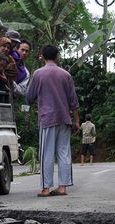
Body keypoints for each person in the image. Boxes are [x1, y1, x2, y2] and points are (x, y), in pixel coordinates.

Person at [26, 45, 80, 197]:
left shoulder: (38, 74)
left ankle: (46, 188)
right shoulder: (65, 75)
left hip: (47, 118)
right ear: (57, 56)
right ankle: (62, 187)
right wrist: (76, 121)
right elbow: (73, 101)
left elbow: (29, 97)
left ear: (42, 55)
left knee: (47, 153)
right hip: (64, 118)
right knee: (64, 152)